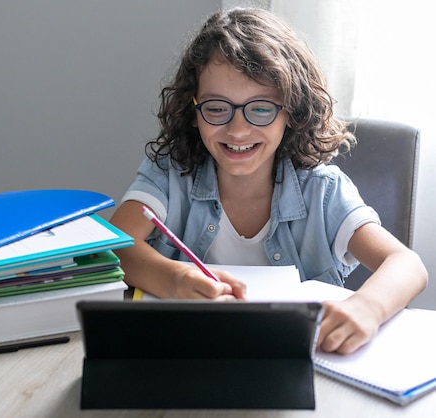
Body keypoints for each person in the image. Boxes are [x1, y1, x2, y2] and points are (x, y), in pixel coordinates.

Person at [110, 7, 428, 355]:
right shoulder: (171, 173)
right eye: (216, 108)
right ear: (193, 108)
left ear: (291, 110)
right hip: (189, 360)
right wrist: (175, 279)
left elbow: (407, 265)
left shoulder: (323, 191)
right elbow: (113, 248)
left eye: (260, 108)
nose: (238, 130)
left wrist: (368, 307)